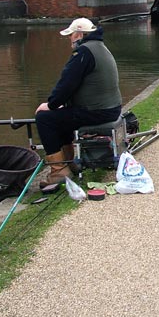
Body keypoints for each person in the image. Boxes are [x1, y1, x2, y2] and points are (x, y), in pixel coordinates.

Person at [35, 17, 122, 189]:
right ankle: (70, 163)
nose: (69, 39)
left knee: (45, 118)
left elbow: (66, 84)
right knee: (61, 116)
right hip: (110, 108)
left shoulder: (83, 53)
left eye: (71, 35)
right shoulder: (99, 47)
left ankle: (59, 170)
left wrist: (51, 105)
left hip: (99, 111)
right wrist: (61, 105)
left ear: (79, 34)